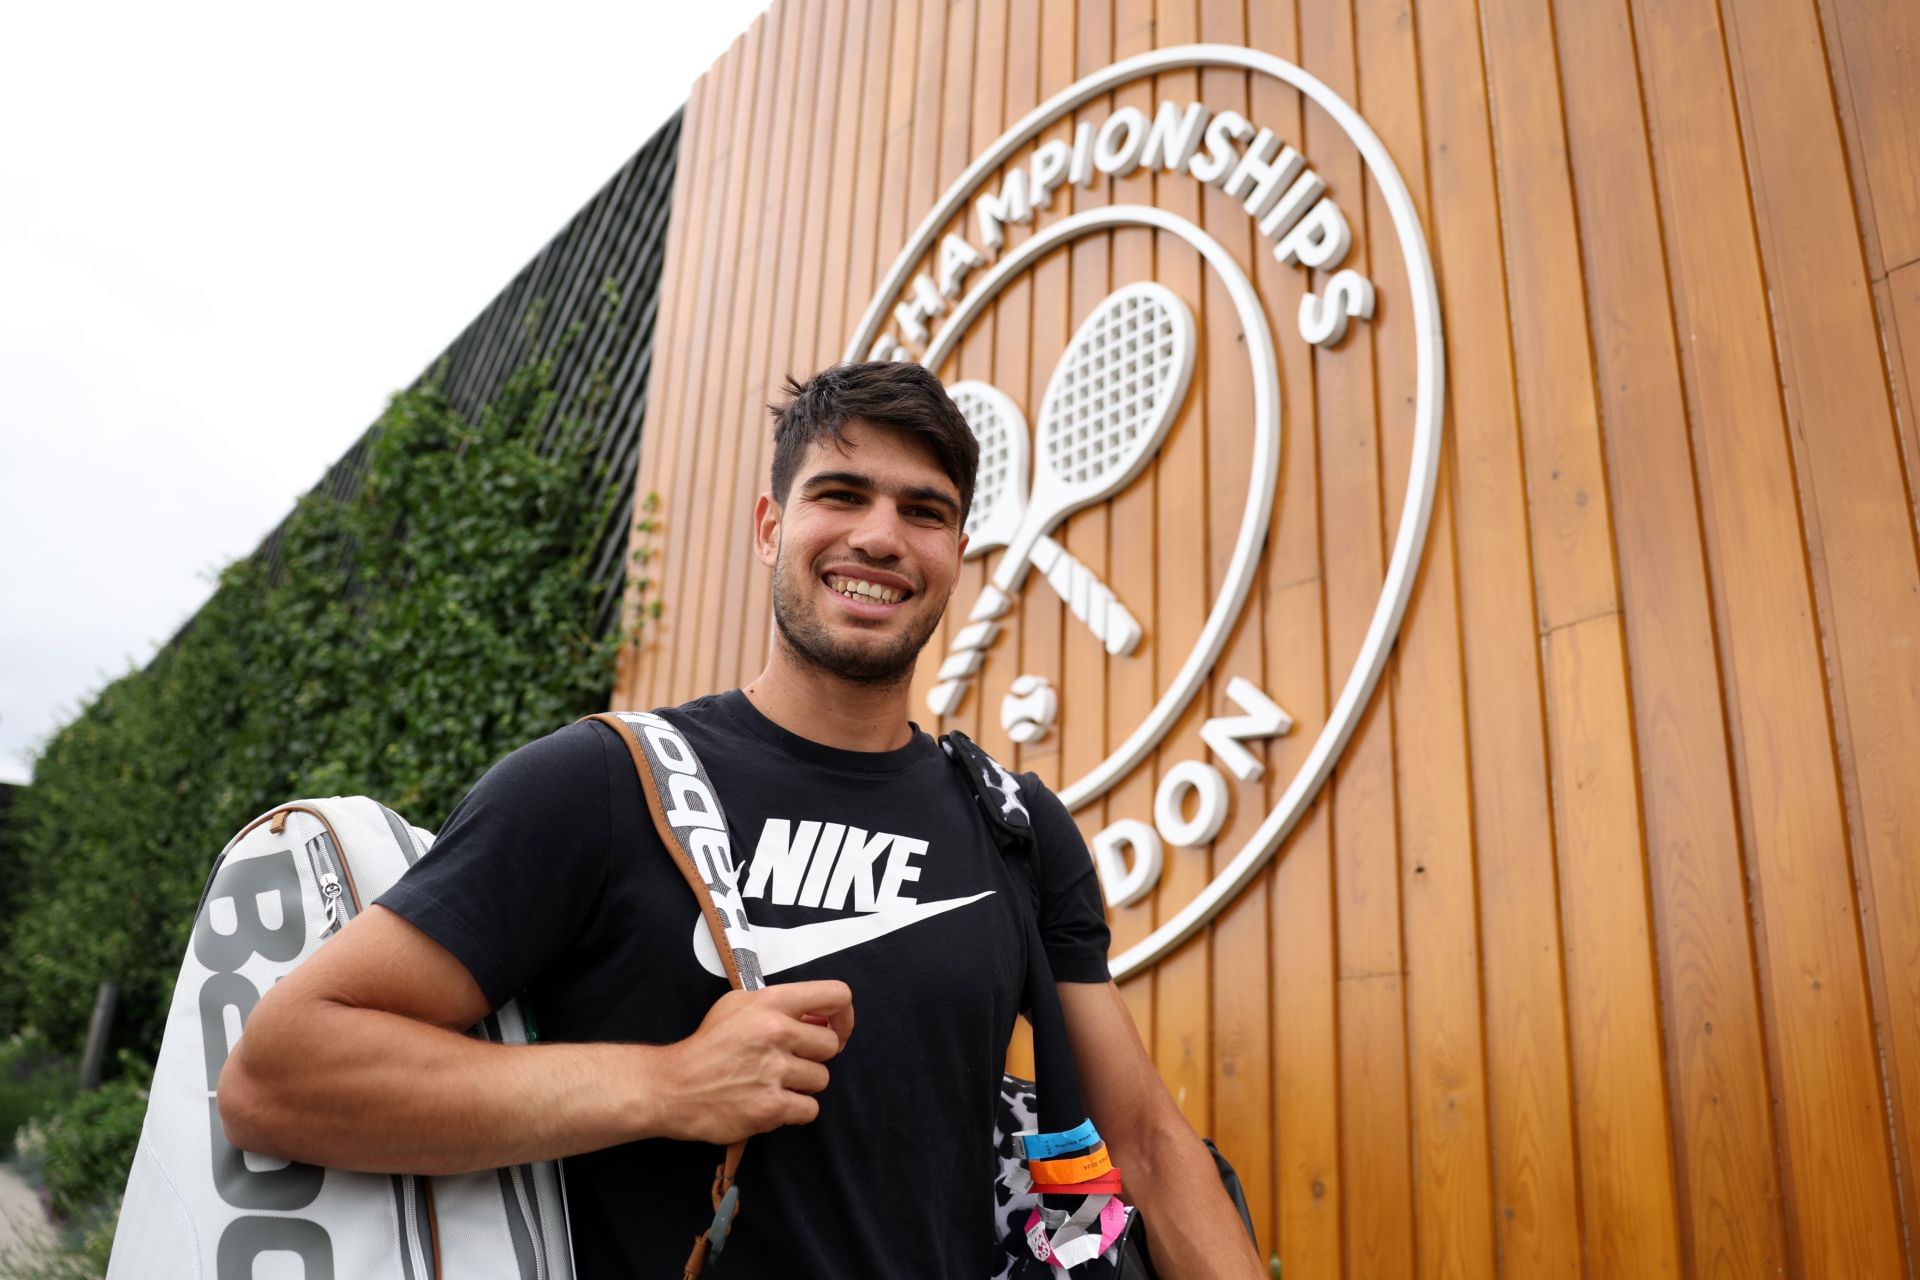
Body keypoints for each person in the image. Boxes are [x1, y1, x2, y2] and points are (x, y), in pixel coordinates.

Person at [220, 361, 1266, 1279]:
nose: (879, 535)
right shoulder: (599, 782)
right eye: (840, 493)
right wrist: (665, 1082)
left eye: (924, 509)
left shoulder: (1015, 825)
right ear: (772, 524)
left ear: (957, 551)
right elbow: (281, 1073)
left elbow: (1147, 1140)